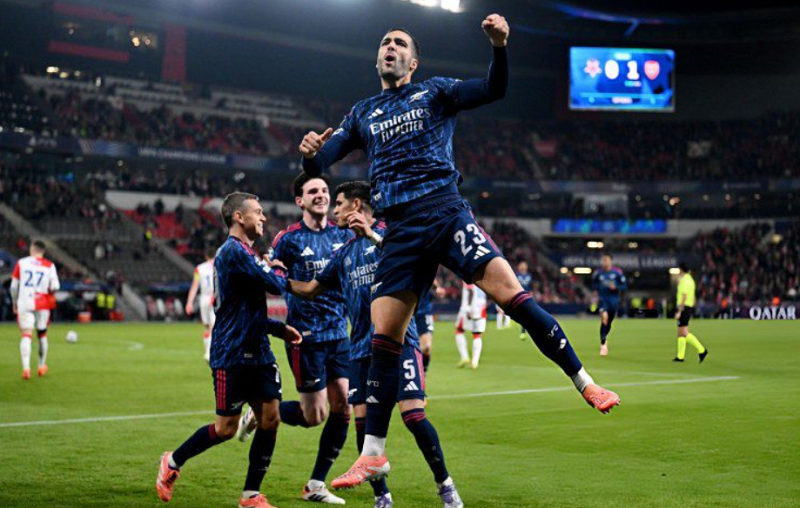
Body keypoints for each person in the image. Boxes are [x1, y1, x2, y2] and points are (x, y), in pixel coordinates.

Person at [298, 16, 620, 490]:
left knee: (512, 294)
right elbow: (323, 160)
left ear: (413, 61)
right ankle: (373, 455)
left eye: (399, 43)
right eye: (385, 42)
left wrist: (500, 47)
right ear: (378, 57)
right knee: (383, 336)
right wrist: (311, 154)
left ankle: (585, 382)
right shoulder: (363, 112)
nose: (390, 47)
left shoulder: (435, 92)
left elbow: (494, 88)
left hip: (444, 211)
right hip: (400, 227)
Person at [280, 181, 463, 507]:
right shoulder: (344, 252)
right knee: (363, 427)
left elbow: (419, 268)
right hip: (361, 351)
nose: (334, 209)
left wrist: (372, 236)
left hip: (399, 342)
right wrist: (276, 277)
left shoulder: (391, 235)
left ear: (356, 205)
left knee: (414, 417)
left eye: (339, 203)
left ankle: (445, 486)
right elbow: (309, 289)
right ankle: (383, 496)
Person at [156, 192, 302, 508]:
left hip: (259, 351)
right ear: (238, 216)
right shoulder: (233, 251)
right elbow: (276, 285)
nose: (263, 217)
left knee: (271, 418)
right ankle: (172, 461)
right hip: (232, 354)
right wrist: (278, 267)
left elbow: (246, 309)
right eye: (258, 212)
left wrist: (278, 329)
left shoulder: (244, 253)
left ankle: (251, 495)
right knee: (225, 429)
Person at [266, 173, 354, 503]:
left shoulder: (343, 234)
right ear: (299, 200)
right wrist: (283, 280)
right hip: (305, 337)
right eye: (312, 191)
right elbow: (270, 276)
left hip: (339, 334)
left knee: (343, 406)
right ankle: (260, 412)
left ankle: (316, 484)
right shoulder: (288, 239)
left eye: (325, 190)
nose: (321, 195)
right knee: (313, 416)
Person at [10, 240, 59, 380]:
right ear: (43, 251)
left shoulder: (21, 263)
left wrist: (14, 302)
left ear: (32, 248)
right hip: (42, 302)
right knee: (42, 334)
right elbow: (55, 286)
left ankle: (26, 369)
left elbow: (13, 287)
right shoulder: (49, 265)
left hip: (25, 301)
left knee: (26, 334)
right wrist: (49, 292)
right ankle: (41, 366)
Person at [592, 254, 627, 356]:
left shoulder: (617, 273)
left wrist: (616, 287)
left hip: (614, 301)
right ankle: (603, 344)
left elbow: (624, 286)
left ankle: (604, 337)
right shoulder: (598, 273)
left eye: (606, 260)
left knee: (609, 322)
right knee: (604, 318)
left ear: (611, 261)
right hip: (603, 300)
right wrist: (595, 291)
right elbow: (594, 284)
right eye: (603, 260)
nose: (605, 262)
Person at [185, 248, 216, 363]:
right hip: (215, 298)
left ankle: (208, 352)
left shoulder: (199, 269)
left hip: (203, 299)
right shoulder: (220, 265)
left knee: (208, 327)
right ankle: (209, 352)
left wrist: (189, 302)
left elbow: (194, 286)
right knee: (213, 327)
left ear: (206, 256)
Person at [673, 263, 708, 363]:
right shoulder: (691, 280)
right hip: (688, 307)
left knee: (682, 332)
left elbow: (684, 296)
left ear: (681, 270)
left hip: (684, 307)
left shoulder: (684, 280)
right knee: (681, 332)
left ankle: (701, 350)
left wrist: (679, 311)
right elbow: (692, 296)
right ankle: (680, 356)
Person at [454, 282, 487, 369]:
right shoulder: (483, 277)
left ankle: (464, 357)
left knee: (459, 330)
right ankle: (475, 362)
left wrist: (468, 308)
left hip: (469, 309)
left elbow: (470, 291)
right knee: (477, 334)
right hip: (481, 307)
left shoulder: (469, 275)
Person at [514, 260, 532, 339]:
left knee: (527, 314)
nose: (524, 267)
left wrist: (531, 294)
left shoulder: (529, 275)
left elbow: (530, 286)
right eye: (522, 265)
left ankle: (525, 330)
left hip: (527, 296)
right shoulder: (517, 275)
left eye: (525, 265)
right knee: (523, 315)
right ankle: (524, 330)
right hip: (519, 296)